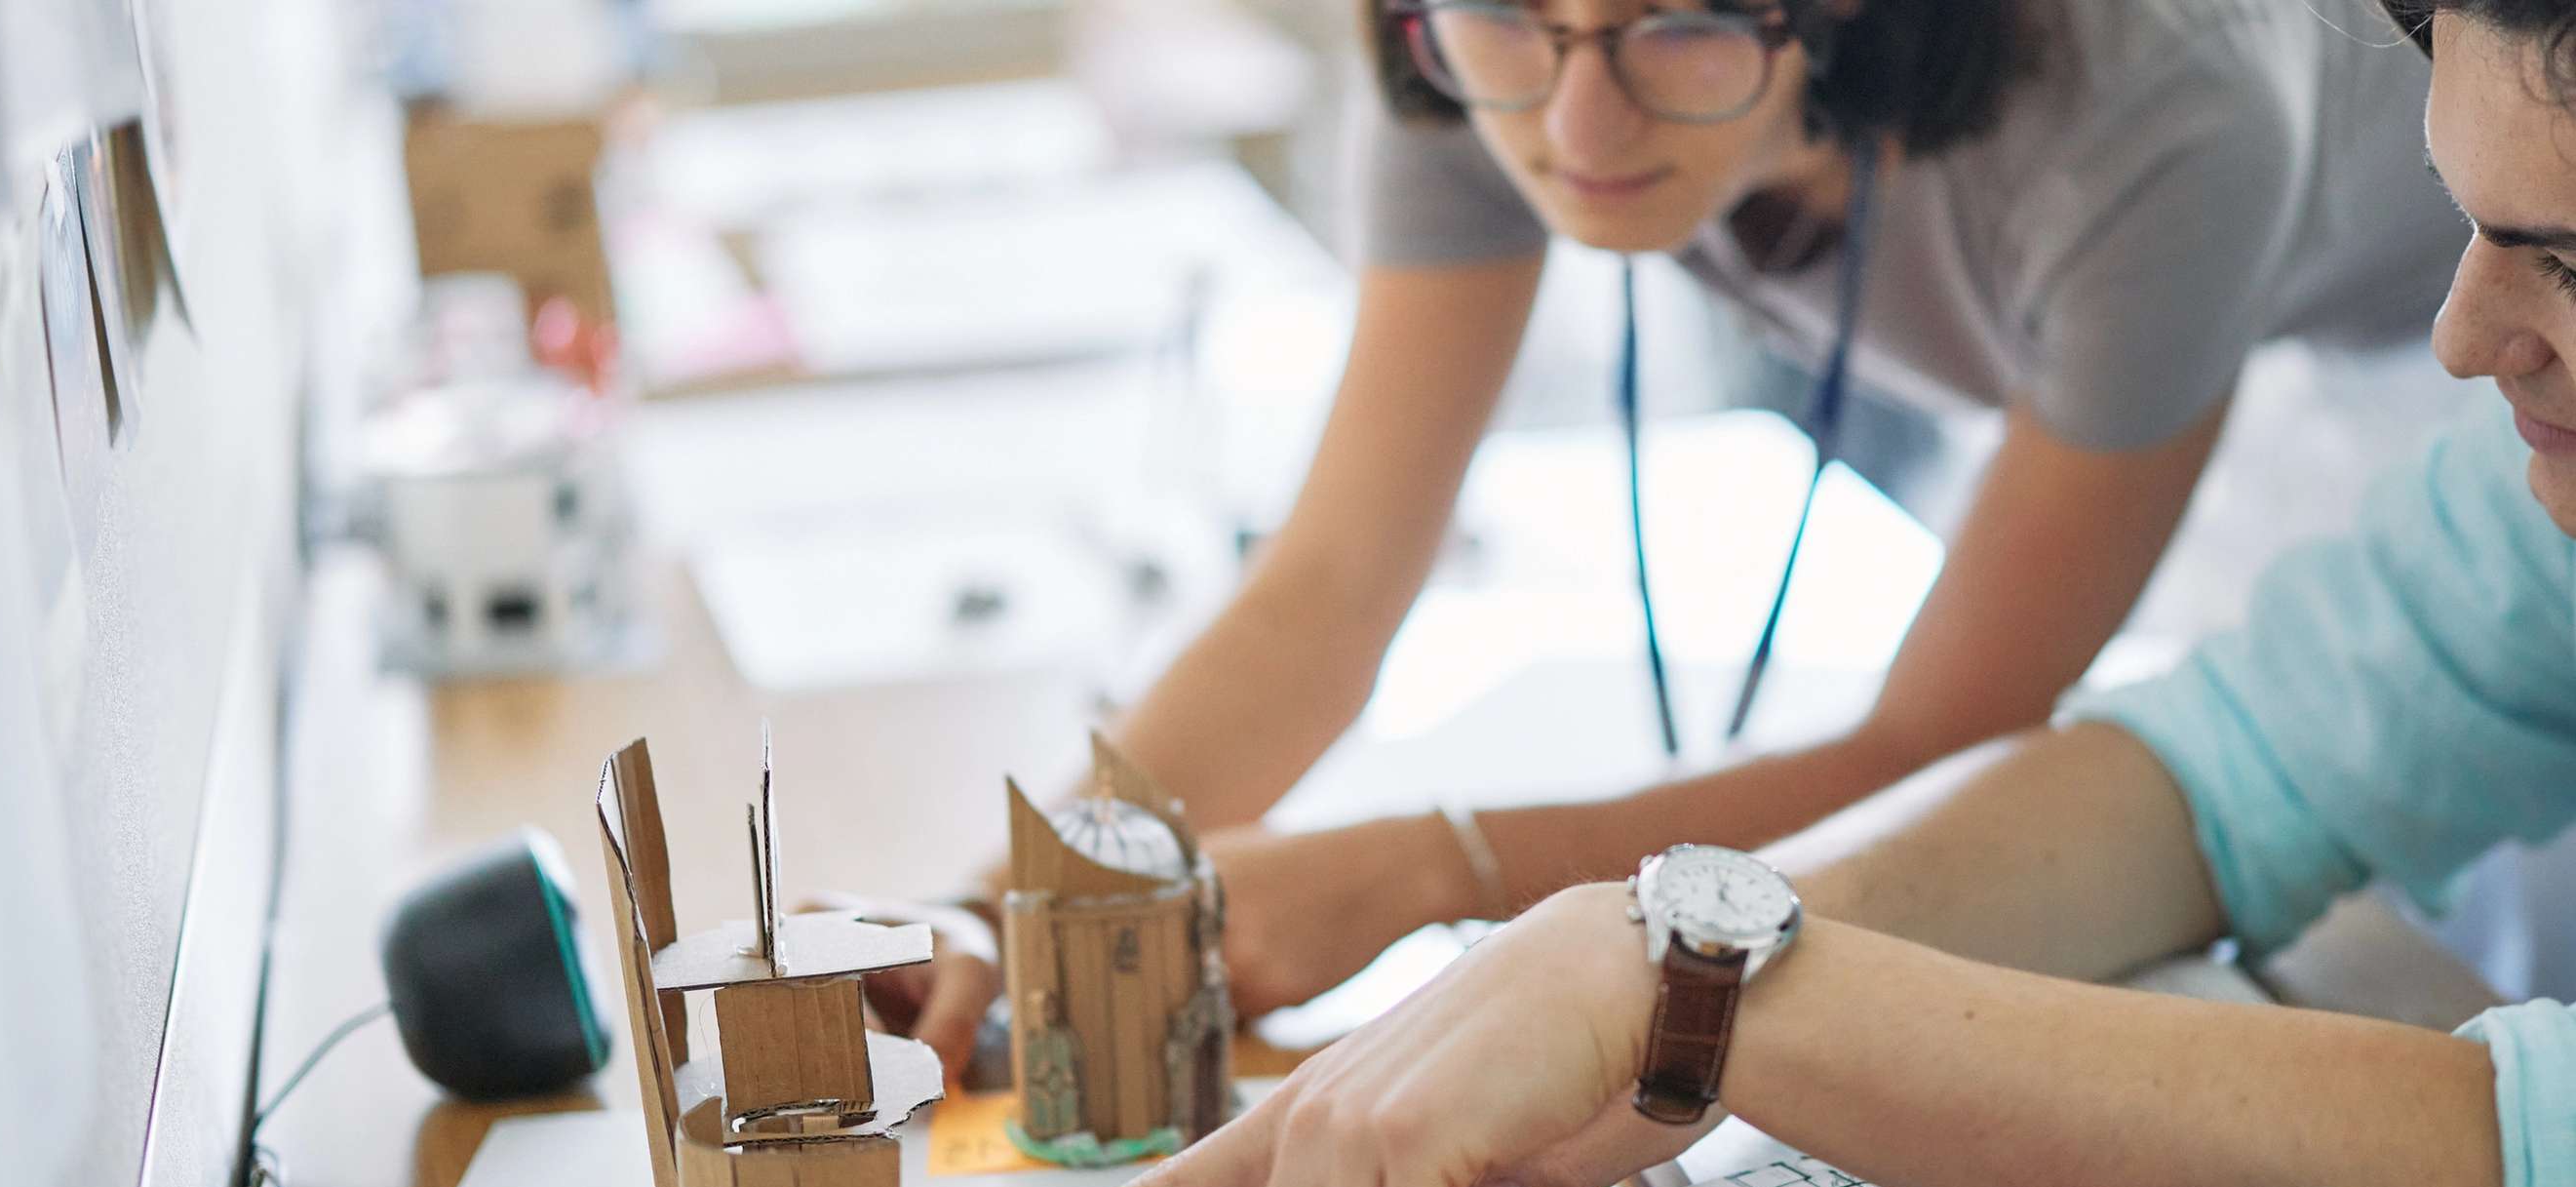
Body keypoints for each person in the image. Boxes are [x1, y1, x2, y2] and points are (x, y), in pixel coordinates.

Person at [1001, 0, 2576, 1187]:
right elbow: (2206, 771)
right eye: (2468, 227)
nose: (2460, 343)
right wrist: (1641, 960)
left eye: (2568, 267)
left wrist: (1688, 986)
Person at [858, 0, 2470, 1065]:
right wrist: (997, 906)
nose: (1579, 125)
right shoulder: (1475, 61)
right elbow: (1330, 588)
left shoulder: (2157, 100)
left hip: (2473, 343)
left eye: (1682, 22)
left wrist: (1440, 869)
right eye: (1512, 19)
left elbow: (1953, 743)